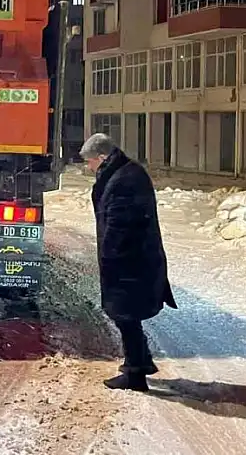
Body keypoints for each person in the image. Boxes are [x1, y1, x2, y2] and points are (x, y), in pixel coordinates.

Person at [80, 133, 177, 392]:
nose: (89, 167)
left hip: (130, 262)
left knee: (125, 316)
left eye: (90, 161)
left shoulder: (125, 179)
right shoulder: (123, 172)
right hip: (132, 260)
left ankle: (135, 375)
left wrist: (109, 257)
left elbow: (120, 225)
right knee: (126, 315)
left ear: (102, 157)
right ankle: (140, 360)